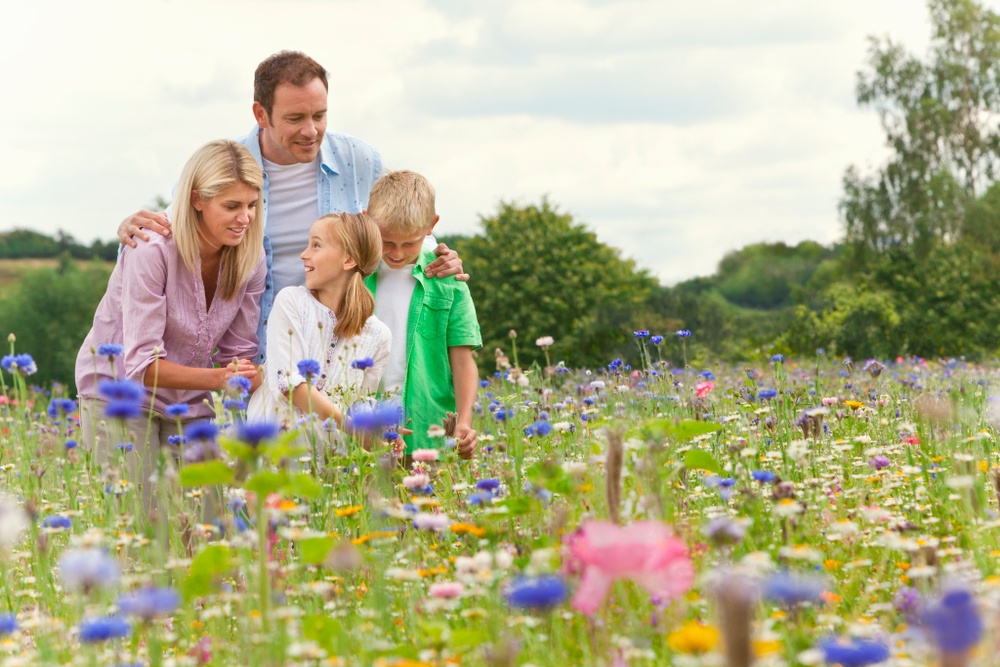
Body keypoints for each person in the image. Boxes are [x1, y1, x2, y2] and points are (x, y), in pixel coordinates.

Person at [116, 51, 466, 361]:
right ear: (261, 114)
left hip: (341, 350)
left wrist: (433, 254)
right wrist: (132, 227)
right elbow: (177, 230)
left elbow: (400, 220)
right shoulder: (227, 166)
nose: (311, 131)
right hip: (252, 351)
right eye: (295, 118)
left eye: (320, 115)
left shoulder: (360, 161)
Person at [76, 139, 266, 517]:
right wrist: (221, 379)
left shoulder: (251, 256)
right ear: (197, 199)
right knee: (138, 528)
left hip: (190, 400)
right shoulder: (151, 249)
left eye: (252, 205)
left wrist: (250, 377)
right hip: (121, 395)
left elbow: (237, 352)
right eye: (231, 206)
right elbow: (143, 366)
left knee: (204, 524)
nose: (245, 217)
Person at [364, 171, 482, 458]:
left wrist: (464, 422)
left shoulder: (448, 280)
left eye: (409, 243)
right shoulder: (353, 273)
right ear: (366, 219)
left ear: (432, 226)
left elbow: (463, 361)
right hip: (366, 435)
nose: (396, 253)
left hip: (430, 433)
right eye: (387, 242)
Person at [247, 212, 391, 437]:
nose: (304, 255)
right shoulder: (292, 302)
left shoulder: (378, 335)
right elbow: (290, 386)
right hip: (275, 452)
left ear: (348, 260)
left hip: (328, 461)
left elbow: (362, 405)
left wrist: (383, 431)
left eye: (316, 245)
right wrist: (353, 429)